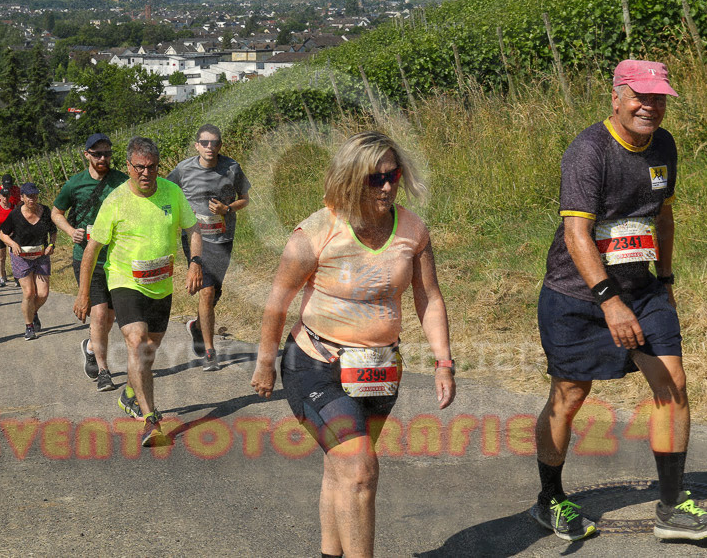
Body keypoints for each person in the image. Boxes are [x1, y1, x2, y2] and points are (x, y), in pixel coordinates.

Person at [530, 60, 707, 543]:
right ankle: (551, 498)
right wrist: (608, 301)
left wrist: (666, 278)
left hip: (644, 289)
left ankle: (672, 507)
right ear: (617, 97)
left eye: (658, 98)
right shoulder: (589, 151)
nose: (650, 107)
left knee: (672, 382)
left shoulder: (664, 145)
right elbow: (577, 233)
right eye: (641, 97)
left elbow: (663, 216)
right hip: (578, 295)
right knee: (572, 394)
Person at [251, 131, 456, 558]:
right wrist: (265, 362)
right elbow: (277, 302)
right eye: (374, 178)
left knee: (343, 470)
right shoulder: (317, 231)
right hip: (315, 366)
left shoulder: (412, 229)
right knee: (360, 470)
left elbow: (428, 297)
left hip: (379, 371)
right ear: (350, 178)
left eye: (392, 175)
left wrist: (443, 362)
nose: (386, 186)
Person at [73, 136, 202, 444]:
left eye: (153, 167)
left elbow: (193, 229)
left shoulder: (172, 192)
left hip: (160, 284)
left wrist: (195, 261)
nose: (146, 173)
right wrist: (82, 293)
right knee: (137, 341)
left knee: (148, 353)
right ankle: (151, 419)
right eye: (140, 167)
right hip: (124, 280)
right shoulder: (116, 201)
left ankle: (130, 394)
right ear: (128, 167)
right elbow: (92, 249)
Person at [167, 124, 251, 371]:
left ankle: (197, 326)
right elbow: (167, 193)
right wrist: (181, 212)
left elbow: (245, 198)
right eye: (204, 142)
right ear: (197, 145)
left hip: (223, 238)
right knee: (206, 292)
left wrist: (228, 209)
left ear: (220, 146)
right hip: (196, 239)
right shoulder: (183, 169)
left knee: (214, 293)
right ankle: (210, 352)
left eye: (214, 143)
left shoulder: (232, 167)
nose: (209, 147)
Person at [52, 132, 128, 392]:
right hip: (86, 258)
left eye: (107, 153)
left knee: (109, 316)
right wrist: (70, 231)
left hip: (117, 257)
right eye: (97, 154)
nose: (103, 158)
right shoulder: (75, 184)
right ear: (86, 155)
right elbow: (56, 212)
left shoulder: (121, 181)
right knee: (98, 313)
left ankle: (91, 346)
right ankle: (105, 371)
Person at [0, 182, 58, 340]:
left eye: (35, 195)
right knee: (29, 292)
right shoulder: (15, 214)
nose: (33, 199)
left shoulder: (45, 211)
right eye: (29, 196)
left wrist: (51, 244)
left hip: (41, 255)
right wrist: (12, 243)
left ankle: (33, 311)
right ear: (22, 197)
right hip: (21, 257)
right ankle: (29, 326)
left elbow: (53, 231)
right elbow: (2, 234)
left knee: (43, 293)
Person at [0, 187, 15, 287]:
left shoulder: (13, 207)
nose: (5, 199)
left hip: (11, 235)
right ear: (0, 197)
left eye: (7, 196)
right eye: (3, 196)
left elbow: (16, 221)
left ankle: (17, 276)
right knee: (1, 257)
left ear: (9, 196)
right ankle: (2, 277)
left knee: (14, 255)